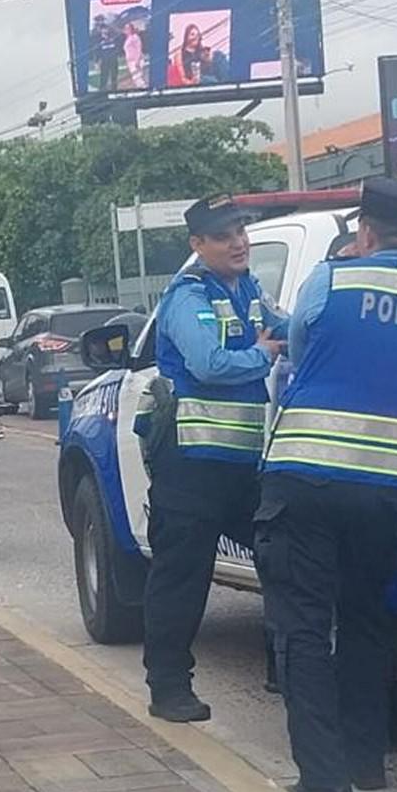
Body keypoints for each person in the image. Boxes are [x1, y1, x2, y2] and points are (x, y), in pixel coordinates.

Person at [255, 179, 397, 792]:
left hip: (306, 480)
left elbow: (299, 350)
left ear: (365, 233)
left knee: (302, 629)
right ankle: (366, 763)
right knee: (369, 622)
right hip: (389, 490)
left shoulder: (332, 280)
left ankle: (323, 782)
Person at [141, 194, 286, 723]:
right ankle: (169, 688)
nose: (239, 241)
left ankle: (285, 665)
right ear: (197, 245)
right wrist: (263, 354)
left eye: (242, 230)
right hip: (191, 462)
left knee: (283, 556)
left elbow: (286, 325)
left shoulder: (247, 288)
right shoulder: (186, 296)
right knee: (182, 576)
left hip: (243, 465)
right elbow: (209, 363)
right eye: (224, 235)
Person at [92, 15, 121, 92]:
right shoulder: (97, 38)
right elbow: (96, 50)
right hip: (104, 60)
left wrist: (116, 53)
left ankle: (114, 90)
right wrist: (96, 61)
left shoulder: (113, 36)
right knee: (104, 76)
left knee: (114, 76)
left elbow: (118, 36)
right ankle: (102, 91)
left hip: (113, 59)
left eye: (106, 29)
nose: (105, 31)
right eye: (103, 30)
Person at [123, 22, 146, 89]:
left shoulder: (135, 37)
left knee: (137, 78)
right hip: (130, 61)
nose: (125, 30)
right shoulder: (128, 38)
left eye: (127, 28)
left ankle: (143, 90)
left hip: (136, 61)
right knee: (135, 78)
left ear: (131, 29)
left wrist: (137, 61)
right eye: (125, 28)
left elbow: (139, 49)